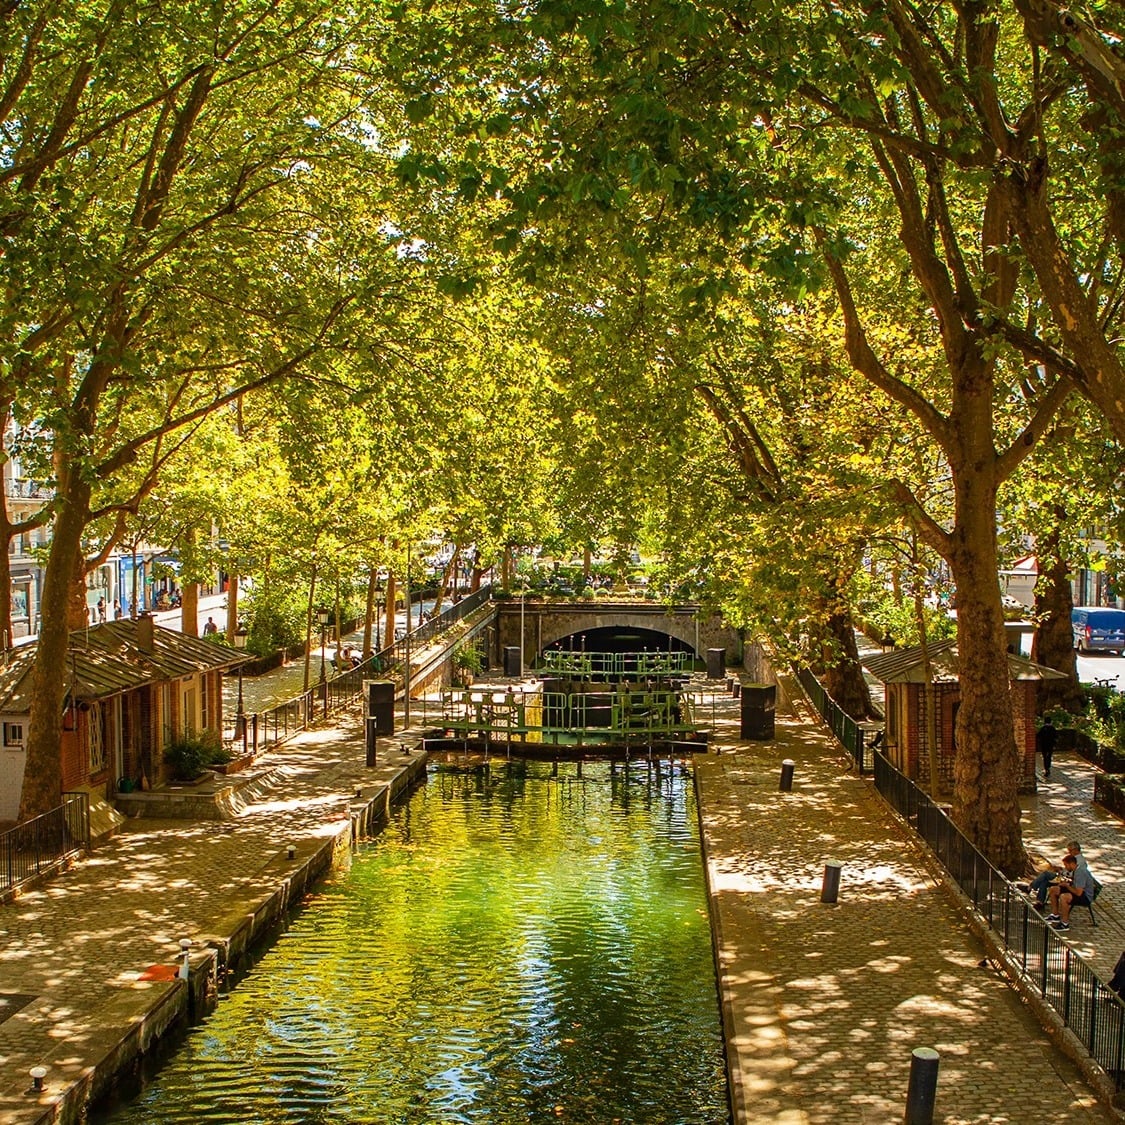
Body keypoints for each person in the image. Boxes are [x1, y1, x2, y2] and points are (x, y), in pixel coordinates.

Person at [1028, 840, 1087, 907]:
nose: (1069, 853)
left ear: (1075, 850)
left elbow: (1072, 873)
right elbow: (1068, 870)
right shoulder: (1075, 858)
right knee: (1044, 880)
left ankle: (1030, 888)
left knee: (1046, 874)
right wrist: (1061, 870)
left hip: (1067, 879)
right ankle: (1039, 901)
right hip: (1064, 875)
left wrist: (1063, 873)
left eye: (1070, 851)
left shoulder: (1080, 861)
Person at [1047, 854, 1095, 930]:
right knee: (1054, 889)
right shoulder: (1076, 870)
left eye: (1066, 865)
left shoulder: (1080, 873)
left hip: (1085, 896)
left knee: (1064, 897)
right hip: (1078, 891)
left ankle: (1065, 923)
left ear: (1072, 864)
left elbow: (1078, 893)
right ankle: (1055, 915)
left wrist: (1067, 886)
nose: (1065, 867)